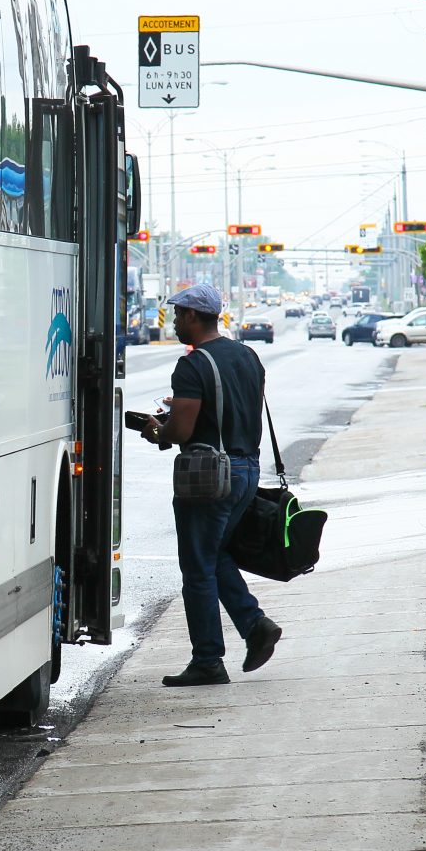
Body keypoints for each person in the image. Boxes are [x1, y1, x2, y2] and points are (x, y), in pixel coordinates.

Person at [142, 283, 282, 686]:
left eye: (178, 314)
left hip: (211, 477)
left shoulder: (192, 364)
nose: (174, 322)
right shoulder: (247, 355)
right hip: (248, 470)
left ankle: (208, 659)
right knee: (216, 552)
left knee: (197, 568)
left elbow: (182, 430)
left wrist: (158, 429)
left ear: (191, 316)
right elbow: (235, 409)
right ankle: (255, 626)